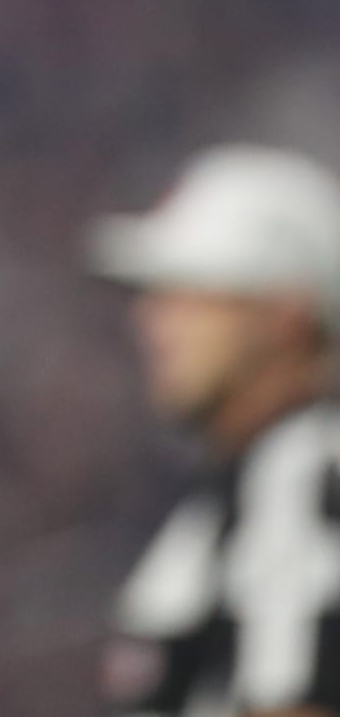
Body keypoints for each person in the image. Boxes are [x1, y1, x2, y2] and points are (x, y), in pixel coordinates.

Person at [87, 144, 340, 717]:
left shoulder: (298, 475)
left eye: (194, 295)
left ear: (287, 315)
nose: (152, 320)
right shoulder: (243, 490)